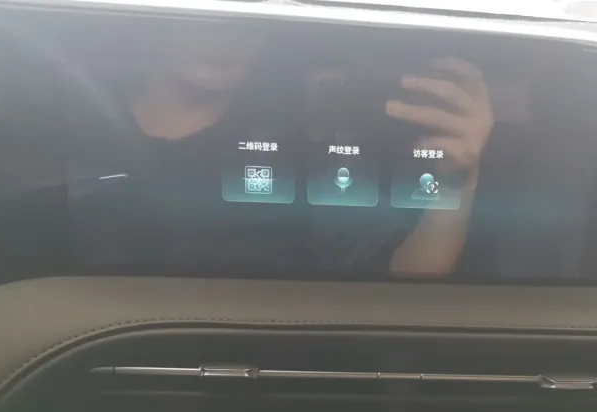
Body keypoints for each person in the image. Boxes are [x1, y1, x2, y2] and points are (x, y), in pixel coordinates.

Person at [66, 28, 493, 278]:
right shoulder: (67, 130)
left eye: (247, 13)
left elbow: (400, 285)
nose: (225, 31)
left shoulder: (300, 153)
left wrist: (458, 185)